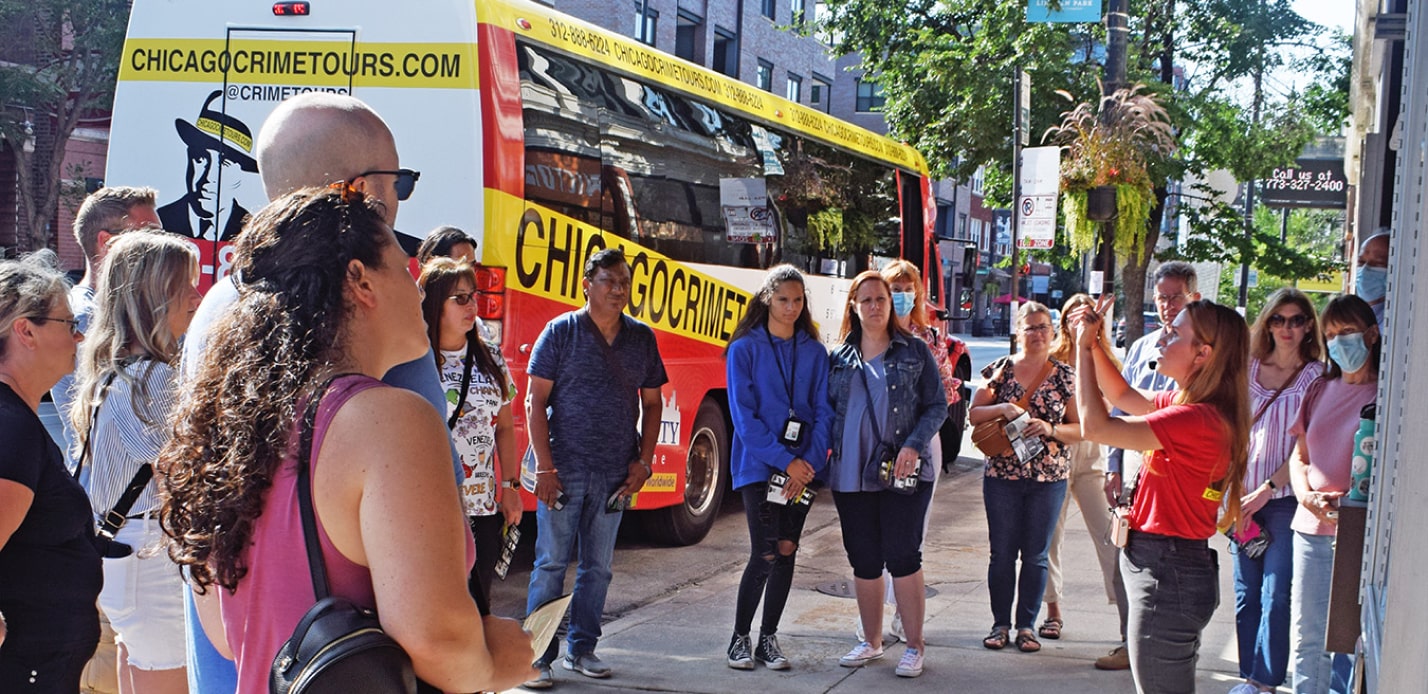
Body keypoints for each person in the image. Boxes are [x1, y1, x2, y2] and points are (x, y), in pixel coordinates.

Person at [158, 188, 535, 694]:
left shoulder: (232, 425)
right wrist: (497, 662)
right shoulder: (389, 420)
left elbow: (227, 636)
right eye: (405, 268)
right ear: (360, 281)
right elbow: (440, 644)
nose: (418, 287)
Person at [174, 92, 451, 694]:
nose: (400, 200)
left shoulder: (220, 309)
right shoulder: (372, 325)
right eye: (396, 180)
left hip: (237, 667)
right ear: (356, 191)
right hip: (344, 668)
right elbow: (432, 592)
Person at [1072, 297, 1250, 694]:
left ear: (1203, 354)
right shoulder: (1194, 406)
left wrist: (1083, 349)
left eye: (1175, 334)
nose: (1163, 337)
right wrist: (1095, 342)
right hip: (1168, 565)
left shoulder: (1196, 419)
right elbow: (1123, 397)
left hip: (1167, 570)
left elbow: (1095, 426)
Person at [524, 247, 668, 688]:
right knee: (550, 564)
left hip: (614, 474)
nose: (619, 290)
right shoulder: (561, 332)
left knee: (598, 567)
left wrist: (644, 462)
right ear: (587, 284)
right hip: (564, 472)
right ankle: (535, 658)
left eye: (624, 282)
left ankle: (582, 649)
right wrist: (545, 469)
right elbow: (535, 402)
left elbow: (652, 402)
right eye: (609, 281)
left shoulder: (641, 338)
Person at [70, 230, 200, 694]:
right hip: (147, 550)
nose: (196, 293)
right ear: (149, 297)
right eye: (181, 284)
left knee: (135, 658)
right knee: (166, 677)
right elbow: (181, 469)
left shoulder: (114, 369)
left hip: (122, 547)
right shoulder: (153, 376)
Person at [826, 271, 945, 679]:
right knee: (863, 558)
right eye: (867, 300)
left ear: (891, 304)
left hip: (903, 473)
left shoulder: (913, 351)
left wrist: (913, 445)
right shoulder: (839, 358)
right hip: (849, 475)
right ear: (854, 307)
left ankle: (914, 645)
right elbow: (825, 412)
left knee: (903, 555)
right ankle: (872, 642)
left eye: (881, 299)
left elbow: (937, 405)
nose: (875, 306)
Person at [0, 253, 103, 693]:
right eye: (69, 323)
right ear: (26, 330)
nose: (80, 337)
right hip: (26, 666)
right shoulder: (10, 429)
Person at [722, 265, 833, 672]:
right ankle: (739, 638)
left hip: (804, 469)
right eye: (784, 299)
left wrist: (807, 463)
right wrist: (786, 461)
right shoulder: (745, 348)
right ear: (769, 298)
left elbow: (825, 412)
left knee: (787, 549)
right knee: (765, 551)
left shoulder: (814, 351)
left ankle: (769, 639)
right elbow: (744, 418)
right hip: (760, 465)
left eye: (798, 300)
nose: (791, 307)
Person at [1098, 260, 1200, 671]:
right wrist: (1113, 464)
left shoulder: (1201, 349)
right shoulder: (1142, 347)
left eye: (1176, 297)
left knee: (1172, 565)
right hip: (1134, 469)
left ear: (1193, 296)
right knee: (1127, 558)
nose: (1167, 306)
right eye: (1161, 298)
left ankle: (1172, 645)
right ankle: (1130, 641)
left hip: (1177, 475)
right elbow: (1119, 409)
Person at [852, 260, 958, 646]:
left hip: (915, 445)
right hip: (868, 456)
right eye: (890, 287)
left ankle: (905, 622)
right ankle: (871, 628)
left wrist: (912, 439)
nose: (894, 296)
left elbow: (941, 396)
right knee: (867, 548)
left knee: (906, 544)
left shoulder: (924, 340)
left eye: (903, 287)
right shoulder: (852, 345)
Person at [968, 301, 1080, 655]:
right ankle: (1000, 624)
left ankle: (1027, 627)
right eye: (1030, 327)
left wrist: (1049, 428)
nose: (1037, 334)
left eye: (1043, 327)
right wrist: (1002, 407)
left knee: (1036, 555)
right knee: (1001, 554)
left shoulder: (1065, 376)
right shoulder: (999, 371)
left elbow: (1080, 429)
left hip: (1049, 479)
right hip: (1002, 476)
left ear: (1053, 332)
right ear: (1018, 332)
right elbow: (973, 414)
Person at [1231, 289, 1324, 694]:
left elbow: (1306, 448)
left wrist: (1268, 490)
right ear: (1267, 323)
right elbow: (1230, 430)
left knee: (1276, 593)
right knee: (1246, 594)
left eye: (1297, 319)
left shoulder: (1317, 376)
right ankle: (1248, 676)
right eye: (1279, 319)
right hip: (1241, 497)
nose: (1288, 328)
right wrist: (1234, 492)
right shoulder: (1247, 368)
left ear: (1309, 326)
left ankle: (1264, 681)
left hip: (1284, 501)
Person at [418, 257, 521, 614]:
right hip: (431, 507)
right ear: (435, 305)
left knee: (478, 606)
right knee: (437, 607)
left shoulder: (489, 354)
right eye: (459, 298)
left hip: (482, 508)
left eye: (472, 296)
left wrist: (511, 488)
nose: (471, 306)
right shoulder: (415, 360)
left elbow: (505, 427)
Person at [1287, 294, 1378, 694]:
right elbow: (1299, 455)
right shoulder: (1320, 389)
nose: (1340, 343)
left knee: (1352, 642)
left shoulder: (1388, 395)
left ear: (1372, 335)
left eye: (1348, 332)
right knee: (1309, 639)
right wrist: (1306, 495)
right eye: (1331, 336)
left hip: (1359, 532)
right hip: (1310, 529)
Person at [50, 186, 161, 469]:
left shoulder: (122, 312)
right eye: (149, 237)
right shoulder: (87, 318)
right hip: (114, 502)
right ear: (107, 243)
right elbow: (143, 428)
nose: (161, 249)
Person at [1041, 293, 1120, 642]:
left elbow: (1115, 410)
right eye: (1072, 315)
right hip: (1055, 455)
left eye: (1085, 315)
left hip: (1091, 458)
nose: (1078, 321)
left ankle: (1126, 614)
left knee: (1109, 535)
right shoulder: (1051, 357)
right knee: (1049, 538)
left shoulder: (1104, 357)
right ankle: (1053, 611)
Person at [155, 90, 257, 242]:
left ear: (239, 175)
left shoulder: (254, 231)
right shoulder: (157, 224)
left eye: (224, 164)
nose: (208, 178)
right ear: (188, 159)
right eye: (201, 159)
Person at [1353, 229, 1389, 326]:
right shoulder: (1353, 319)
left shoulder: (1395, 317)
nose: (1365, 270)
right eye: (1361, 262)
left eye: (1378, 263)